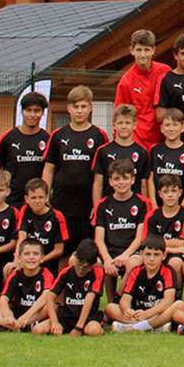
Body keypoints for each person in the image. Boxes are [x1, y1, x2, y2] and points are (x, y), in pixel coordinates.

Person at [42, 85, 108, 253]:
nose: (79, 111)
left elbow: (102, 174)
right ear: (68, 108)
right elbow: (49, 169)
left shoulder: (99, 135)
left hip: (88, 206)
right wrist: (44, 196)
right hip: (62, 204)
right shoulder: (58, 135)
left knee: (87, 253)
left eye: (83, 106)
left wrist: (98, 203)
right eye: (75, 106)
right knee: (62, 251)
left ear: (90, 108)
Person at [104, 235, 180, 332]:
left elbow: (168, 300)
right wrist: (127, 310)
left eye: (156, 254)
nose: (152, 259)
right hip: (138, 314)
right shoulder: (136, 271)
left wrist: (147, 314)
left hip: (156, 313)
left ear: (164, 255)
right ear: (141, 254)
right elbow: (125, 299)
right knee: (110, 308)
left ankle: (132, 327)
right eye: (148, 254)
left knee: (179, 305)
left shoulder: (167, 271)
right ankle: (155, 327)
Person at [93, 158, 149, 283]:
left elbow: (140, 237)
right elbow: (99, 239)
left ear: (133, 180)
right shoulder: (103, 204)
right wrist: (106, 259)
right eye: (117, 179)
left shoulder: (142, 203)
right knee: (94, 262)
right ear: (110, 182)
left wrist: (126, 255)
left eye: (125, 178)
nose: (121, 182)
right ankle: (110, 299)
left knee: (133, 263)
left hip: (133, 252)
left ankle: (121, 297)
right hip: (109, 252)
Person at [37, 239, 105, 336]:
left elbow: (89, 299)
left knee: (92, 331)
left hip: (89, 318)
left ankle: (100, 327)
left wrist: (78, 328)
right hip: (67, 316)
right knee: (38, 330)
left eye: (85, 267)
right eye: (79, 265)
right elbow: (49, 296)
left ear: (92, 265)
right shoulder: (66, 272)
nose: (81, 270)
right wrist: (54, 322)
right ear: (75, 258)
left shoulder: (98, 273)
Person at [115, 30, 169, 151]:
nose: (143, 55)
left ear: (153, 50)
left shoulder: (165, 71)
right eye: (139, 50)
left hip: (165, 137)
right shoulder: (126, 81)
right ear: (132, 50)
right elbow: (120, 114)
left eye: (147, 50)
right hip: (138, 140)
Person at [0, 92, 50, 204]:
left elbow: (51, 171)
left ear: (42, 113)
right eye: (28, 110)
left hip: (37, 202)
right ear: (22, 111)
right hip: (11, 201)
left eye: (37, 111)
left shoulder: (48, 139)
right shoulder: (7, 138)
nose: (32, 115)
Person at [0, 238, 53, 332]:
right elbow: (3, 299)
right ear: (19, 258)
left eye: (35, 254)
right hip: (17, 313)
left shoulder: (46, 274)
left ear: (42, 258)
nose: (31, 257)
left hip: (35, 314)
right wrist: (8, 316)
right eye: (27, 254)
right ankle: (14, 326)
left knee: (50, 307)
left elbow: (46, 296)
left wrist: (26, 317)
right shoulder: (15, 274)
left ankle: (4, 327)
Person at [91, 105, 149, 204]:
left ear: (134, 125)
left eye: (127, 123)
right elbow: (98, 183)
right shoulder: (103, 151)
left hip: (134, 208)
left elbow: (143, 185)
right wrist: (97, 207)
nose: (124, 126)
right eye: (120, 123)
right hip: (108, 207)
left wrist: (145, 207)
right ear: (114, 125)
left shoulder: (142, 152)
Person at [15, 178, 67, 272]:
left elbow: (59, 250)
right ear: (27, 199)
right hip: (28, 262)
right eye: (33, 198)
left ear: (47, 197)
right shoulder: (25, 210)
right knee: (10, 269)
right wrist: (17, 260)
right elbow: (21, 237)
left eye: (41, 197)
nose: (37, 201)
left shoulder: (57, 216)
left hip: (47, 266)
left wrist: (40, 260)